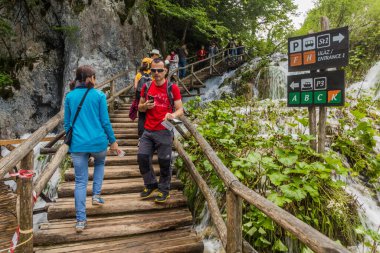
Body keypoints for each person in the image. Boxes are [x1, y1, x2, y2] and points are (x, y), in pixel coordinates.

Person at [64, 65, 118, 232]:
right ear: (89, 78)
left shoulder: (70, 97)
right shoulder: (100, 95)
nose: (95, 80)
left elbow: (67, 125)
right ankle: (96, 195)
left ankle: (81, 221)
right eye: (94, 77)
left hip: (78, 144)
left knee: (80, 182)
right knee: (100, 164)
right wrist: (113, 141)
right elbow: (105, 122)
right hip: (98, 142)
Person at [137, 58, 184, 203]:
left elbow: (180, 109)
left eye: (159, 70)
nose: (156, 73)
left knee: (164, 161)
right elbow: (139, 106)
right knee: (142, 157)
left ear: (165, 71)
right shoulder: (146, 86)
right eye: (153, 70)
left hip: (164, 130)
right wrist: (145, 107)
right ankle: (151, 184)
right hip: (148, 130)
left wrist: (173, 115)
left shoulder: (172, 88)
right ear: (150, 71)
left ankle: (164, 190)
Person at [134, 58, 153, 138]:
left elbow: (135, 87)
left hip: (140, 96)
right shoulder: (153, 74)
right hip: (150, 96)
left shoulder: (139, 74)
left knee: (141, 116)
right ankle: (150, 135)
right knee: (150, 115)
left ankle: (141, 136)